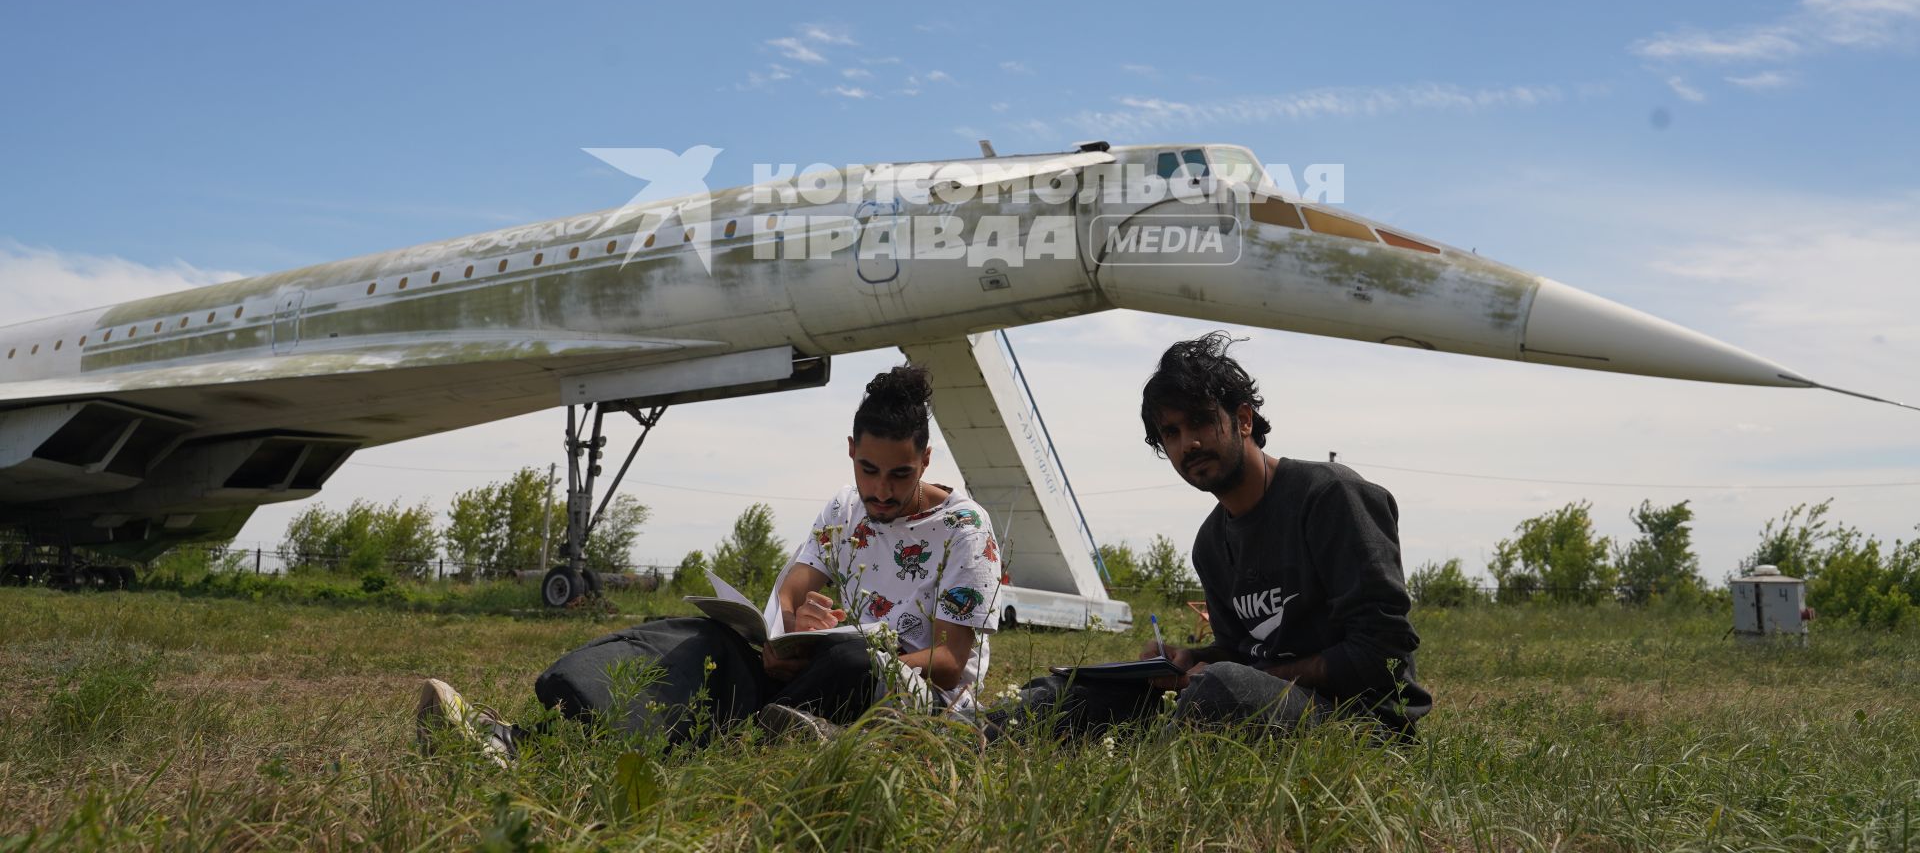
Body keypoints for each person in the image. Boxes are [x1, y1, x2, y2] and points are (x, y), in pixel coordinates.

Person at [416, 364, 1002, 758]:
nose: (880, 490)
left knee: (857, 658)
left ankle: (750, 741)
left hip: (914, 705)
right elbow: (792, 589)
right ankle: (520, 741)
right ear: (851, 452)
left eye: (899, 474)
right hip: (817, 680)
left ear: (925, 459)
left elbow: (951, 663)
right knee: (700, 639)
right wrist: (782, 636)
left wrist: (850, 646)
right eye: (868, 470)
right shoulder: (844, 509)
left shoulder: (965, 530)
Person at [986, 331, 1431, 741]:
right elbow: (1244, 651)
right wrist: (1186, 657)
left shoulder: (1330, 497)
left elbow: (1383, 652)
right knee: (1081, 686)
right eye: (1171, 433)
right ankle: (965, 738)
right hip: (1255, 699)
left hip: (1360, 719)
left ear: (1242, 419)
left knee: (1222, 689)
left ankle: (1147, 773)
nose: (1188, 444)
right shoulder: (1211, 542)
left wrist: (1232, 675)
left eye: (1200, 422)